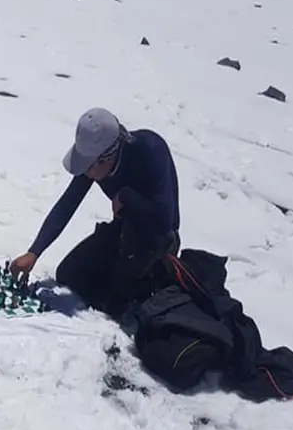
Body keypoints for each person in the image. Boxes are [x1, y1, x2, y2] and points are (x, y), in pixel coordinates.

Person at [11, 107, 180, 316]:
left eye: (87, 166)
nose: (84, 172)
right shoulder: (94, 161)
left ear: (106, 158)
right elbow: (68, 203)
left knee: (115, 305)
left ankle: (149, 285)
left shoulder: (150, 149)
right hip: (124, 228)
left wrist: (126, 196)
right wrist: (34, 252)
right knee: (69, 275)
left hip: (158, 238)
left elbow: (165, 220)